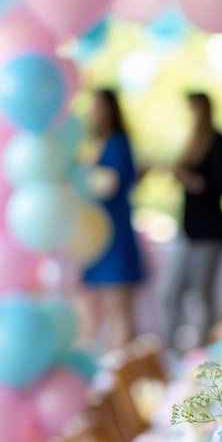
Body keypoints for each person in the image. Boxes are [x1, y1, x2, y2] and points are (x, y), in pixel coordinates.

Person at [162, 93, 222, 348]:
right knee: (170, 293)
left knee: (202, 295)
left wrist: (190, 180)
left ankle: (205, 355)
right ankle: (174, 353)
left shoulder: (218, 141)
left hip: (209, 230)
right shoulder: (191, 142)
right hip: (188, 228)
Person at [82, 88, 145, 350]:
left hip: (115, 234)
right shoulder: (90, 146)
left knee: (119, 309)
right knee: (92, 310)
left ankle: (119, 371)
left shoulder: (118, 143)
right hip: (94, 238)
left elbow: (117, 183)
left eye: (99, 105)